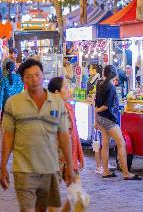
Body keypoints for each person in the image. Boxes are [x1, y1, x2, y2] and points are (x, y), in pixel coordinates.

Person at [0, 59, 73, 212]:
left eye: (37, 75)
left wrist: (70, 166)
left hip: (50, 168)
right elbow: (8, 136)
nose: (34, 80)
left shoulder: (57, 103)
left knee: (43, 209)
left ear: (43, 76)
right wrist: (3, 166)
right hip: (23, 168)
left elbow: (64, 136)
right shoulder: (13, 103)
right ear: (23, 79)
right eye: (29, 76)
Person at [95, 65, 141, 181]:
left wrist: (96, 116)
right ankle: (126, 173)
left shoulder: (100, 85)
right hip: (109, 119)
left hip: (101, 118)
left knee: (104, 144)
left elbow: (97, 104)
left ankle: (105, 171)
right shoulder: (110, 87)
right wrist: (98, 110)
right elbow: (106, 106)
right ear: (114, 74)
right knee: (121, 143)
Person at [48, 77, 84, 212]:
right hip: (53, 158)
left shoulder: (69, 107)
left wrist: (79, 153)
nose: (69, 91)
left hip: (69, 156)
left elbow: (74, 132)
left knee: (77, 192)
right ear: (57, 92)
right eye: (66, 88)